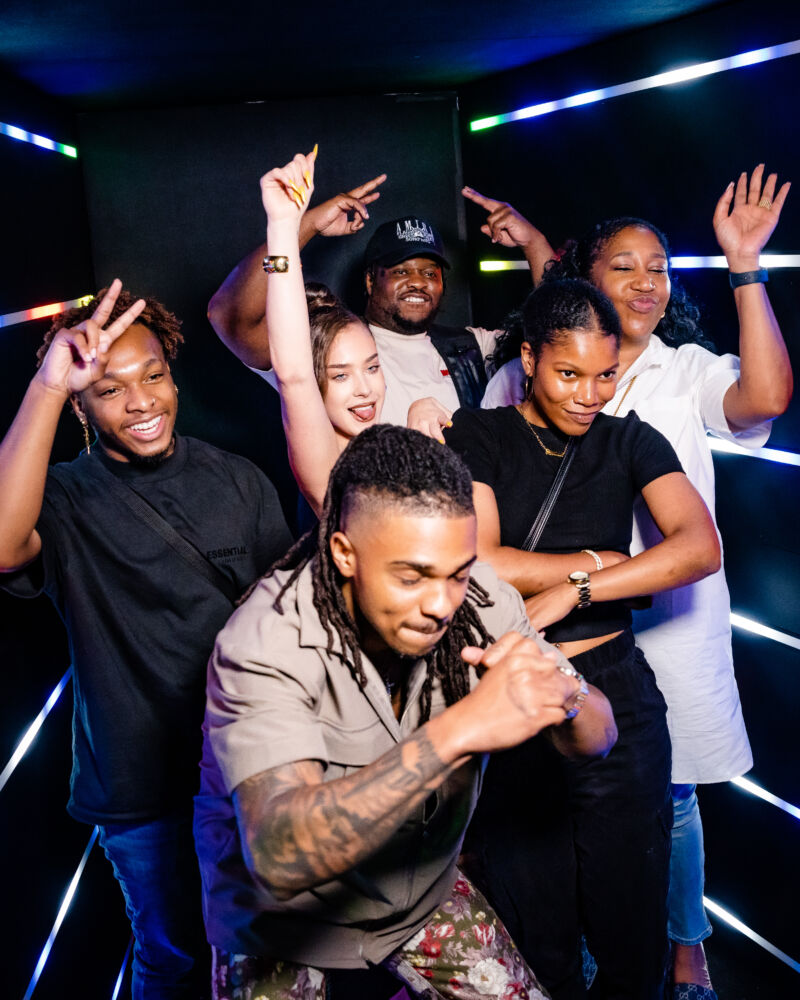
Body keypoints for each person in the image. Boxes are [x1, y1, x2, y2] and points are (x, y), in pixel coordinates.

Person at [479, 165, 792, 997]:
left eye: (659, 268)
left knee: (666, 797)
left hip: (665, 622)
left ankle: (682, 949)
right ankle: (585, 954)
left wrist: (745, 265)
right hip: (554, 637)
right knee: (551, 811)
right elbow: (483, 534)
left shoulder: (679, 376)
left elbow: (764, 401)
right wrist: (590, 572)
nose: (647, 281)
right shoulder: (510, 393)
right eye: (625, 266)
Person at [193, 423, 618, 1000]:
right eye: (411, 576)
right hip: (280, 921)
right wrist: (462, 729)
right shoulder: (265, 641)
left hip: (415, 893)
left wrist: (565, 695)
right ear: (345, 553)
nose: (441, 604)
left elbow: (599, 738)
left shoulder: (481, 599)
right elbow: (279, 857)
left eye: (457, 572)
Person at [0, 281, 293, 1000]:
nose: (141, 402)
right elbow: (3, 547)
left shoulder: (239, 480)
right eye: (109, 389)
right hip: (139, 791)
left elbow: (289, 627)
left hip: (245, 772)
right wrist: (47, 384)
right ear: (80, 407)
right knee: (171, 957)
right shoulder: (63, 496)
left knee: (262, 959)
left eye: (153, 376)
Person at [444, 278, 722, 999]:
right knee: (537, 931)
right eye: (569, 374)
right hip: (514, 700)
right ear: (529, 359)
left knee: (632, 930)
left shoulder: (630, 440)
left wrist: (580, 589)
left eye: (605, 375)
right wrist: (606, 561)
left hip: (616, 691)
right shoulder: (478, 433)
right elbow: (481, 561)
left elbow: (698, 547)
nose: (589, 394)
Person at [207, 162, 544, 425]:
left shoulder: (472, 346)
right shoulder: (331, 345)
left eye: (430, 273)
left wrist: (534, 243)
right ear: (370, 281)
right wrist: (301, 225)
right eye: (401, 271)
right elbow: (227, 316)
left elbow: (559, 334)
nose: (418, 282)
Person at [259, 149, 453, 516]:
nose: (365, 389)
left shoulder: (387, 450)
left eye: (373, 367)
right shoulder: (331, 469)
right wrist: (283, 227)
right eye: (340, 375)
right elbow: (294, 373)